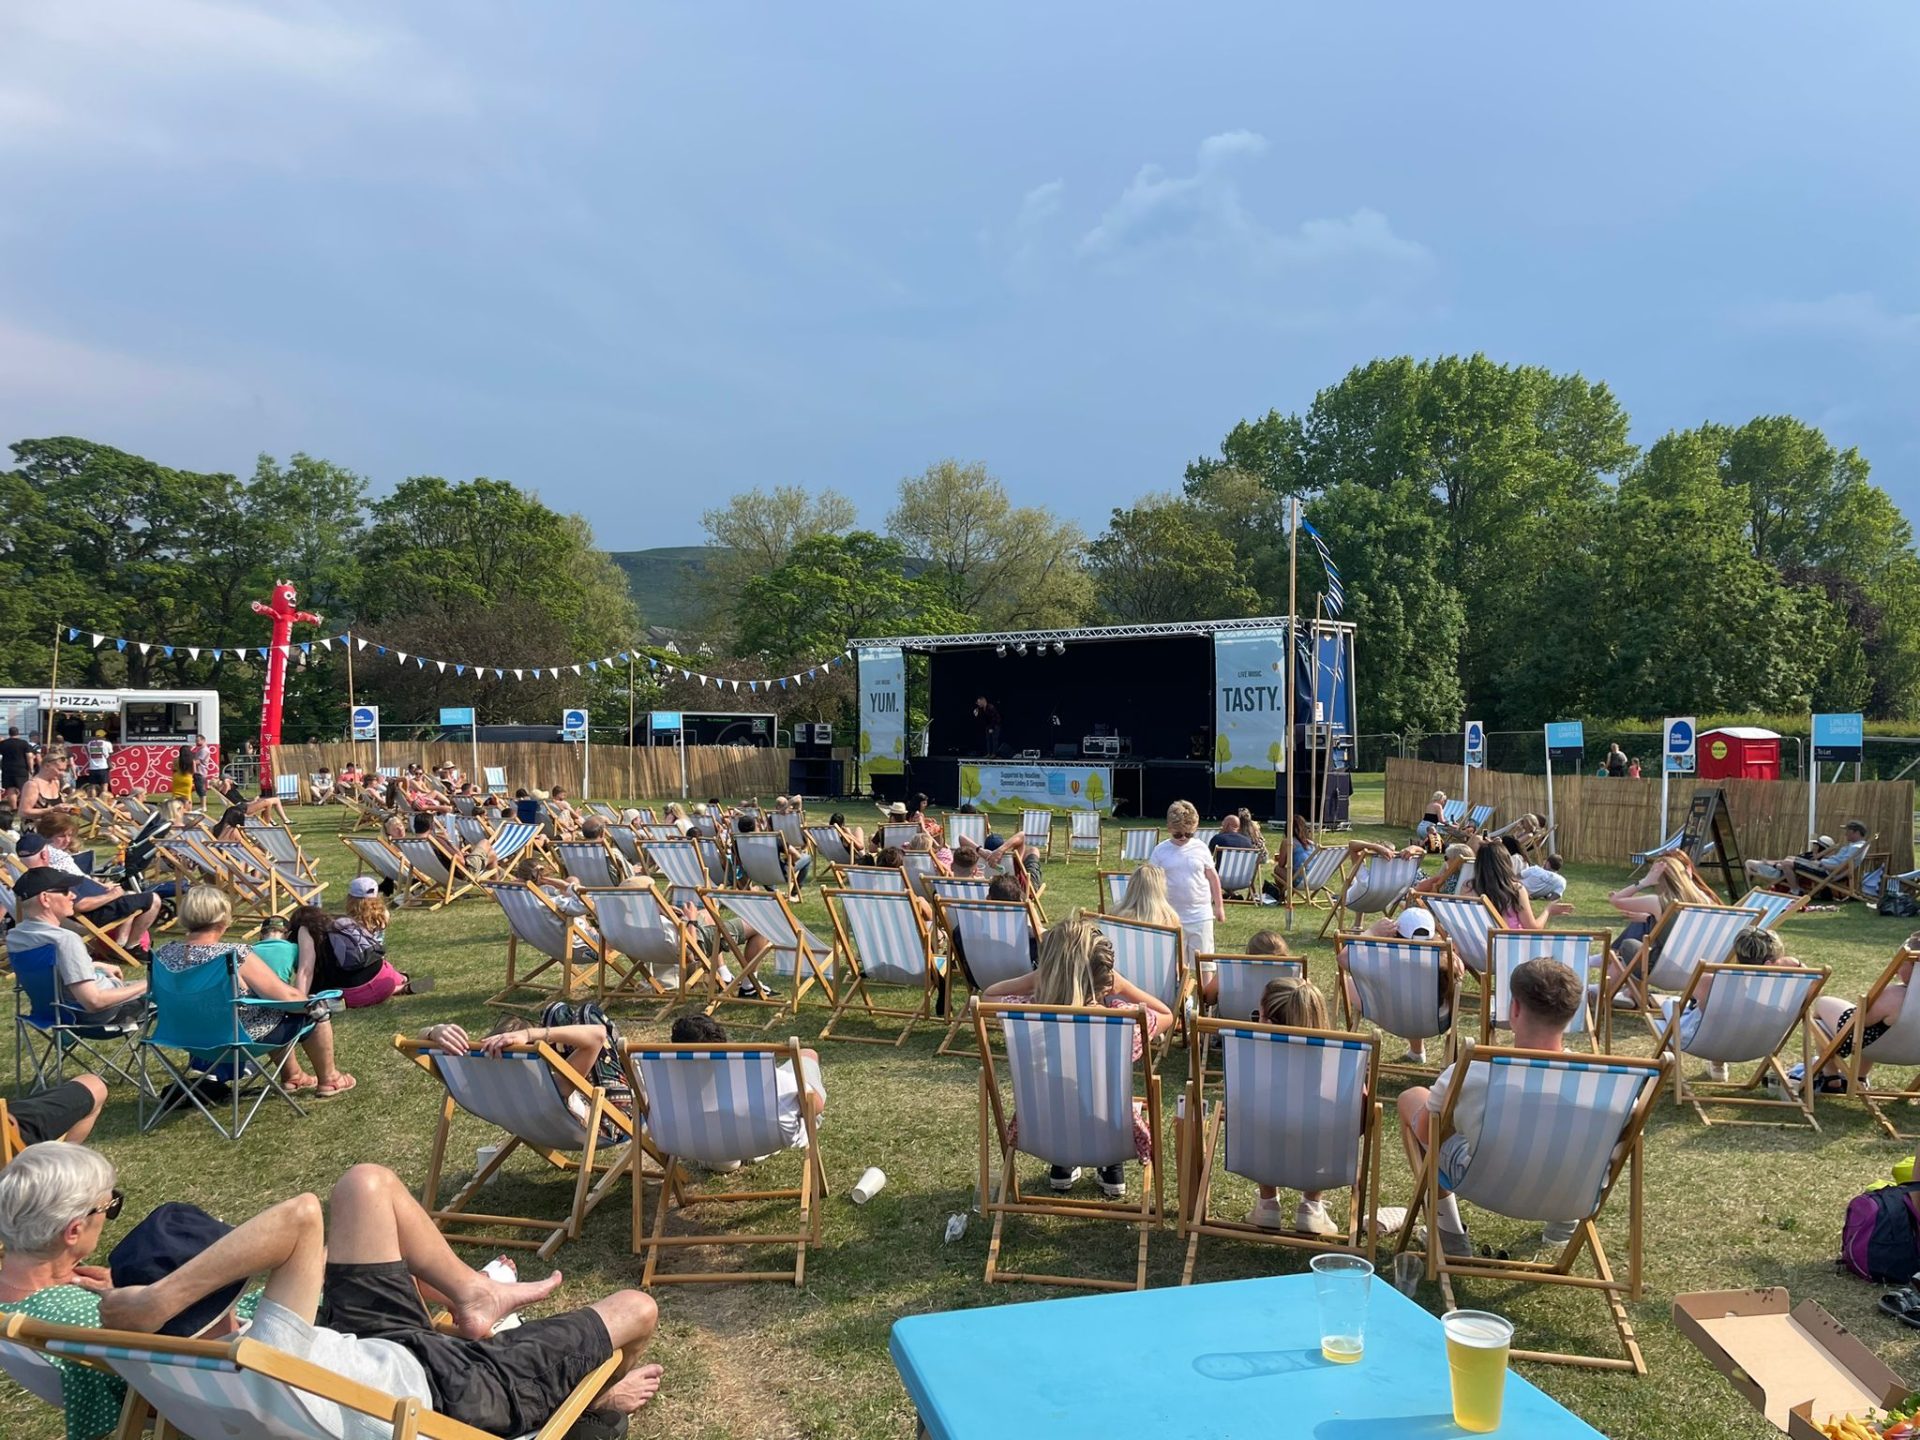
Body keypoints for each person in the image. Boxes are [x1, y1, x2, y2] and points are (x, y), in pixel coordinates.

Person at [78, 1158, 666, 1437]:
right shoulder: (260, 1349)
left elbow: (116, 1328)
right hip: (448, 1392)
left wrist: (142, 1311)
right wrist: (160, 1298)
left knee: (367, 1185)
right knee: (637, 1310)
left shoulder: (149, 1364)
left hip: (361, 1354)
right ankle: (597, 1403)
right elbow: (301, 1217)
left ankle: (474, 1292)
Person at [1397, 957, 1586, 1255]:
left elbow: (1425, 1132)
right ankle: (1562, 1226)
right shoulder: (1603, 1084)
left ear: (1514, 1009)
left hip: (1487, 1185)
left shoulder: (1473, 1072)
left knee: (1413, 1100)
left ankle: (1450, 1235)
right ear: (1572, 1014)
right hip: (1571, 1192)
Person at [977, 919, 1169, 1198]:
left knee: (1063, 1094)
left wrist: (1036, 978)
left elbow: (989, 994)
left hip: (1043, 1129)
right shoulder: (1123, 1021)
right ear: (1105, 975)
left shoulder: (1025, 1015)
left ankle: (1063, 1164)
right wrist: (1123, 986)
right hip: (1112, 1136)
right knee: (1102, 1096)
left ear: (1048, 968)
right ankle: (1110, 1166)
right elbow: (1166, 1015)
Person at [154, 885, 355, 1097]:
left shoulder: (163, 955)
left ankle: (294, 1075)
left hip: (188, 1040)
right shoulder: (234, 955)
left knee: (268, 1015)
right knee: (310, 1008)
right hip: (235, 1040)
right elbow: (289, 998)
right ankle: (330, 1079)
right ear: (224, 920)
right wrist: (314, 1000)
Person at [1247, 977, 1347, 1235]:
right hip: (1318, 1154)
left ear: (1268, 1021)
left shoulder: (1249, 1060)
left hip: (1265, 1152)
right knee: (1333, 1121)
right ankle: (1311, 1206)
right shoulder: (1341, 1065)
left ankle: (1267, 1203)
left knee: (1259, 1113)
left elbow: (1238, 1108)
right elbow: (1358, 1119)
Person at [1664, 925, 1808, 1084]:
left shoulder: (1711, 982)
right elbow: (1811, 993)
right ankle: (1717, 1065)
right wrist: (1798, 965)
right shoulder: (1791, 984)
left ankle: (1666, 1073)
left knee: (1671, 1005)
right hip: (1760, 1044)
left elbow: (1711, 1017)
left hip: (1706, 1044)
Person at [8, 869, 149, 1025]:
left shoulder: (16, 938)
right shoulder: (64, 940)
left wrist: (93, 965)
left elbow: (52, 972)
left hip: (53, 1014)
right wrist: (149, 984)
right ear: (45, 899)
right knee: (168, 992)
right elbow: (94, 1002)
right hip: (98, 1016)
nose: (73, 896)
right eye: (66, 891)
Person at [669, 1013, 824, 1149]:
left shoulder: (666, 1082)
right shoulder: (764, 1077)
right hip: (765, 1140)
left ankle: (722, 1158)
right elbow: (815, 1107)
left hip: (700, 1141)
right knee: (808, 1054)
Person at [24, 821, 164, 953]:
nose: (67, 840)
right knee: (154, 899)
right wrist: (112, 895)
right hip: (95, 913)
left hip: (99, 903)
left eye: (69, 835)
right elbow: (80, 905)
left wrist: (103, 887)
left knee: (130, 894)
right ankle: (132, 946)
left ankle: (120, 946)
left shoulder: (40, 874)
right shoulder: (54, 875)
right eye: (61, 836)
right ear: (45, 850)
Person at [1810, 930, 1920, 1094]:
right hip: (1914, 1053)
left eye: (1900, 963)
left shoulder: (1894, 996)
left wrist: (1867, 1003)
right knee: (1879, 1028)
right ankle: (1859, 1078)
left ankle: (1831, 1077)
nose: (1896, 968)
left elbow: (1861, 1021)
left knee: (1822, 1004)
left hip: (1877, 1047)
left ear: (1914, 964)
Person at [1150, 800, 1224, 962]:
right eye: (1178, 834)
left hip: (1200, 914)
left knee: (1205, 961)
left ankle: (1204, 987)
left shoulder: (1201, 848)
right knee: (1173, 962)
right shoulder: (1160, 851)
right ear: (1169, 828)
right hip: (1171, 915)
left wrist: (1219, 907)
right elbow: (1151, 882)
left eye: (1188, 834)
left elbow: (1213, 878)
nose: (1183, 838)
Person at [1745, 821, 1870, 896]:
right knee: (1790, 858)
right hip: (1824, 866)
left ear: (1856, 832)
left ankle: (1795, 890)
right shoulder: (1856, 846)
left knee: (1788, 863)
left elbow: (1841, 865)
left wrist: (1822, 864)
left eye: (1848, 831)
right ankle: (1783, 876)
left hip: (1825, 870)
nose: (1845, 833)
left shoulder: (1856, 848)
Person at [1469, 841, 1572, 931]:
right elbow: (1532, 928)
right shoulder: (1515, 890)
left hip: (1475, 949)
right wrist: (1548, 910)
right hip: (1510, 948)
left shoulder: (1467, 889)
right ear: (1506, 864)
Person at [1208, 814, 1260, 898]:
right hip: (1243, 880)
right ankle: (1232, 894)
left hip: (1221, 879)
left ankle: (1210, 896)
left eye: (1222, 824)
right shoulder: (1248, 842)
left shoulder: (1218, 839)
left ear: (1227, 825)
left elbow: (1208, 857)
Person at [19, 747, 75, 825]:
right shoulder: (32, 785)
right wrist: (52, 809)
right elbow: (23, 812)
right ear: (47, 766)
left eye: (64, 770)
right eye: (59, 770)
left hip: (53, 830)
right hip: (36, 831)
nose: (62, 773)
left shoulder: (56, 782)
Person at [0, 725, 35, 808]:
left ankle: (14, 809)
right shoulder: (23, 743)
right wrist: (31, 769)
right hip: (21, 769)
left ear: (9, 733)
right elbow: (29, 756)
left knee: (10, 790)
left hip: (7, 769)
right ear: (18, 733)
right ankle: (25, 808)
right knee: (24, 789)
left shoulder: (3, 743)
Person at [80, 731, 113, 800]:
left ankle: (93, 801)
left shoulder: (89, 744)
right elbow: (109, 754)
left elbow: (90, 753)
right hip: (103, 767)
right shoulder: (107, 744)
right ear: (103, 736)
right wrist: (110, 764)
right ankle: (104, 801)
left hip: (92, 768)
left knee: (92, 786)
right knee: (104, 785)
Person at [188, 733, 212, 801]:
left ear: (203, 740)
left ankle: (203, 806)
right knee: (198, 788)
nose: (196, 742)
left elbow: (198, 762)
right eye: (196, 741)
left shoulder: (204, 750)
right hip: (198, 772)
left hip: (200, 772)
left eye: (198, 741)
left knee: (200, 789)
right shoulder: (201, 749)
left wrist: (189, 762)